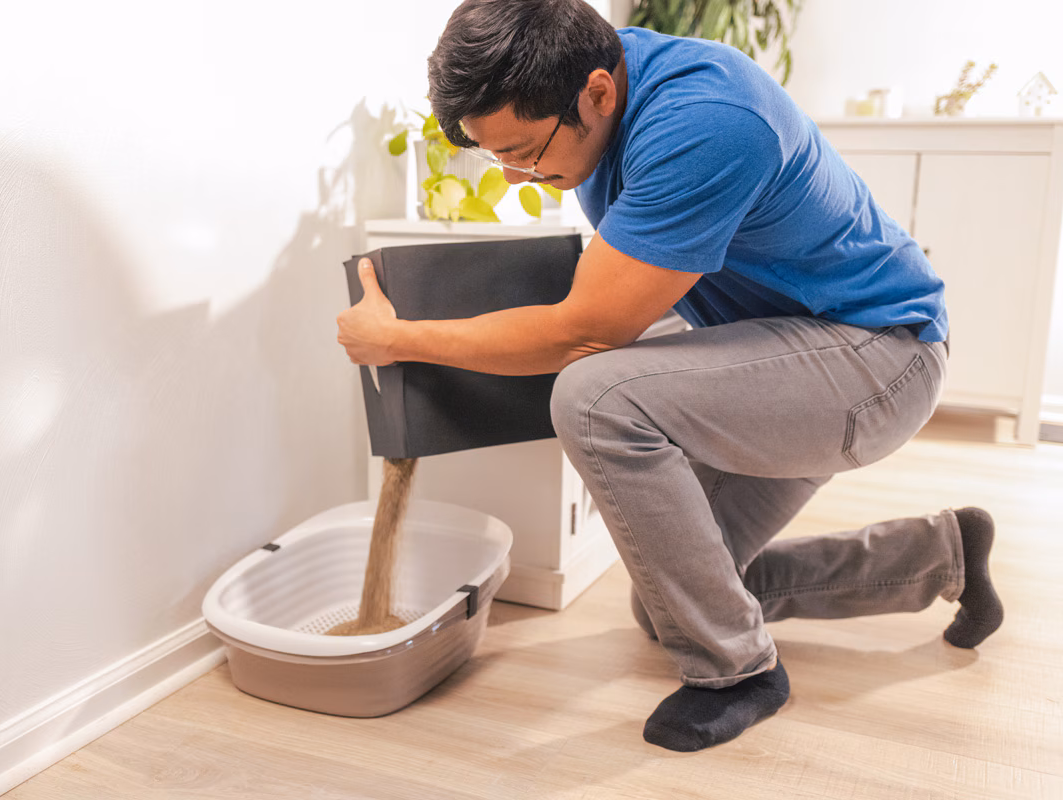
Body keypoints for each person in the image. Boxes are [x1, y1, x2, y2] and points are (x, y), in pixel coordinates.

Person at [336, 0, 1004, 752]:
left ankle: (740, 672)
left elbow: (588, 328)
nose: (519, 174)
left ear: (596, 92)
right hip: (793, 343)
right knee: (677, 600)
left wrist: (397, 340)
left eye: (524, 151)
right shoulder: (607, 98)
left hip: (878, 358)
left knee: (593, 398)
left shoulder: (706, 119)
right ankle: (941, 556)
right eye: (497, 157)